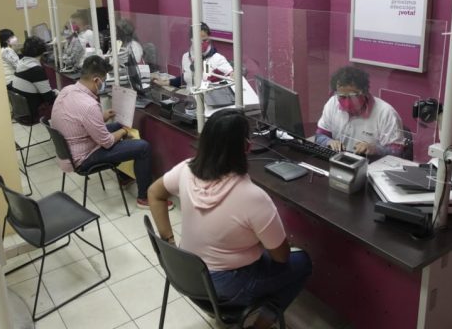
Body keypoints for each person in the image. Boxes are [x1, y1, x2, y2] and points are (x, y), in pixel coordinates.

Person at [148, 109, 311, 315]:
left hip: (186, 273)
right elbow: (281, 257)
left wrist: (169, 241)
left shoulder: (185, 169)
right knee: (302, 262)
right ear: (246, 147)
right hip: (224, 288)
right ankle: (263, 323)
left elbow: (154, 193)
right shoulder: (253, 197)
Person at [50, 55, 170, 210]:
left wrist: (103, 118)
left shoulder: (67, 90)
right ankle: (144, 198)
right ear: (96, 80)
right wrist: (124, 131)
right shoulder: (89, 106)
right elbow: (106, 142)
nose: (103, 84)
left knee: (116, 126)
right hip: (82, 158)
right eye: (104, 80)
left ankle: (124, 176)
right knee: (143, 147)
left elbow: (78, 120)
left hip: (69, 150)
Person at [314, 66, 404, 158]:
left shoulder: (386, 113)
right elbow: (320, 135)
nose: (347, 103)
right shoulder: (333, 103)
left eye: (353, 96)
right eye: (342, 97)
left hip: (371, 163)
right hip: (340, 160)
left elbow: (397, 151)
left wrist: (375, 149)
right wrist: (329, 142)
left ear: (365, 92)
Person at [154, 22, 233, 88]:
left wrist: (232, 75)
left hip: (210, 100)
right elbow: (186, 78)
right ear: (191, 40)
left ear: (209, 39)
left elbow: (231, 76)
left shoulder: (218, 58)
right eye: (198, 40)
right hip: (190, 99)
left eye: (205, 40)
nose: (202, 43)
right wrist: (167, 82)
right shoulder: (186, 57)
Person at [11, 36, 57, 122]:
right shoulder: (36, 69)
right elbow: (49, 97)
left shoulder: (21, 63)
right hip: (33, 113)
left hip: (21, 112)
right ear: (42, 51)